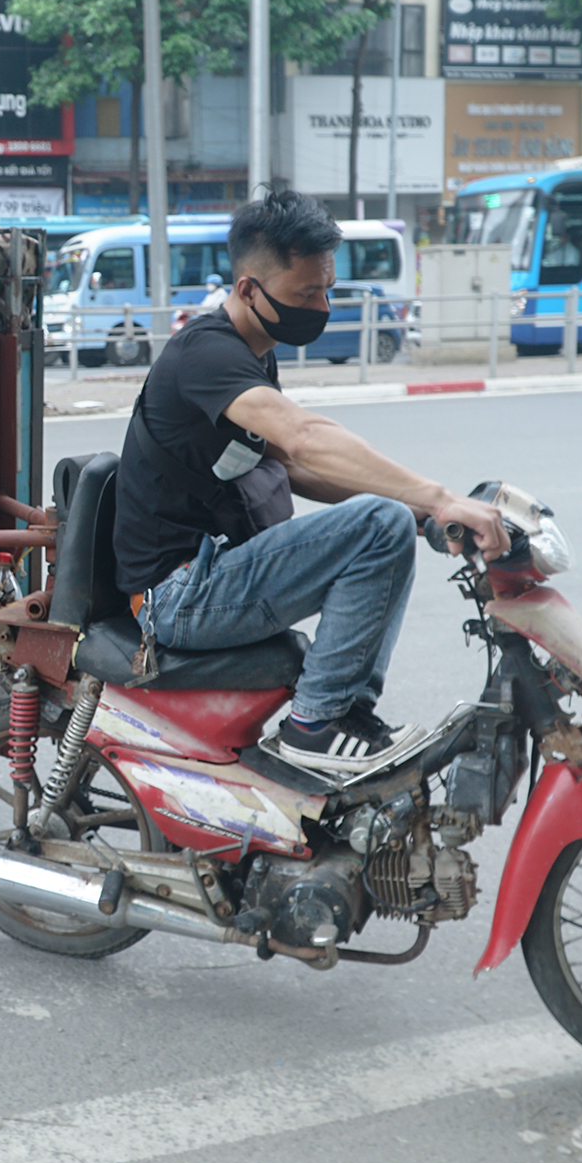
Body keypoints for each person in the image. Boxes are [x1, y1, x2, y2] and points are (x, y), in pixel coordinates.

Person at [114, 190, 507, 780]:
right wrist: (439, 497)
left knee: (387, 519)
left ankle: (345, 713)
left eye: (326, 289)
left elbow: (293, 469)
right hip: (177, 595)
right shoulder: (204, 353)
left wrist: (422, 512)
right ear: (249, 289)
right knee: (380, 524)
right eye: (305, 294)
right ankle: (315, 725)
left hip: (216, 569)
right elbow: (301, 438)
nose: (321, 306)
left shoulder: (253, 353)